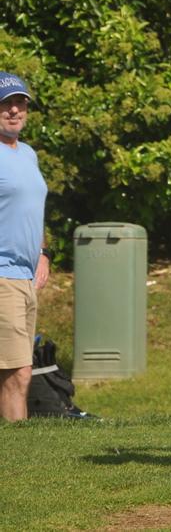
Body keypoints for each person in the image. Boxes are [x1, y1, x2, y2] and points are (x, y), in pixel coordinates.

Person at [0, 72, 51, 422]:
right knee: (17, 373)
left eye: (20, 103)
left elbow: (34, 209)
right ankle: (17, 454)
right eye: (6, 104)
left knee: (19, 370)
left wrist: (43, 253)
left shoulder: (28, 154)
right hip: (1, 276)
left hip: (25, 277)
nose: (15, 110)